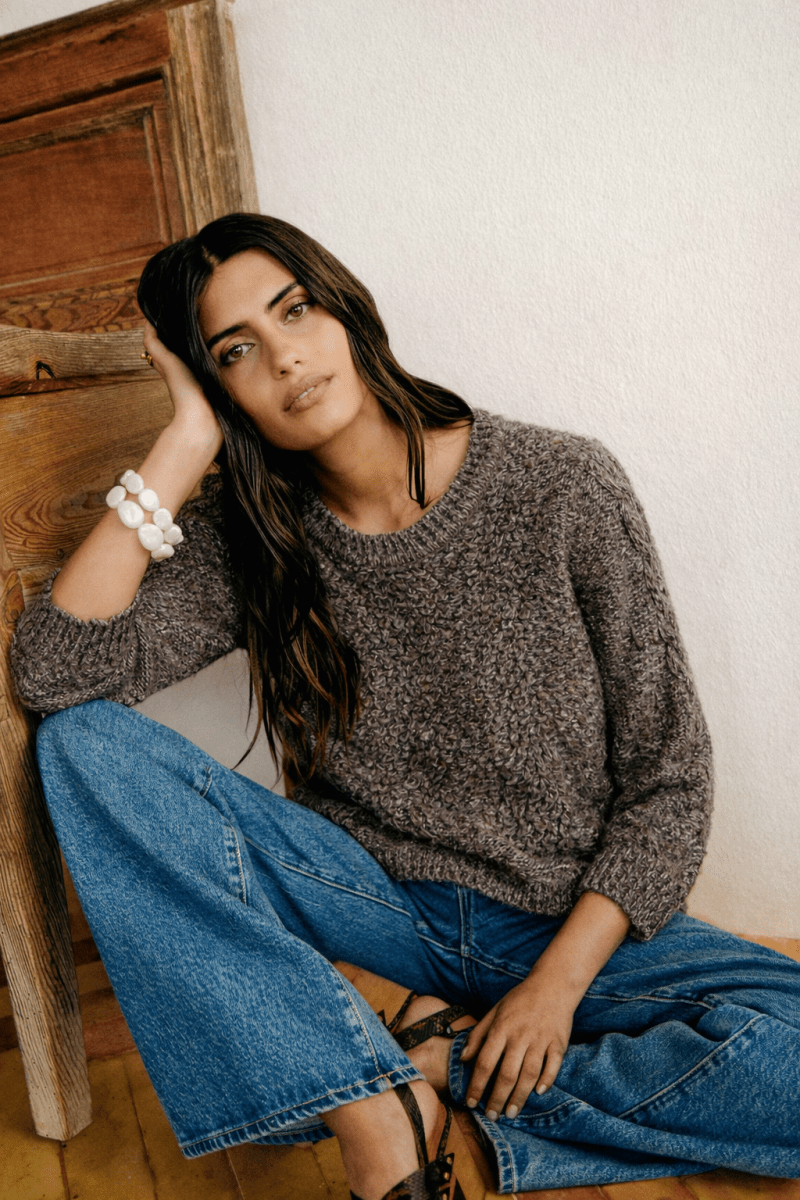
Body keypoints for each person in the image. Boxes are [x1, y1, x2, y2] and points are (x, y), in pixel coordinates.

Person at [10, 213, 799, 1200]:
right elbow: (58, 673)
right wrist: (183, 443)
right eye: (236, 351)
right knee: (86, 745)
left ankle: (428, 1072)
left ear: (345, 311)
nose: (284, 357)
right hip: (370, 902)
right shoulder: (253, 540)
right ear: (217, 388)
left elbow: (669, 780)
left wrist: (552, 992)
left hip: (565, 922)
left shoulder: (562, 486)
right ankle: (373, 1114)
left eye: (294, 310)